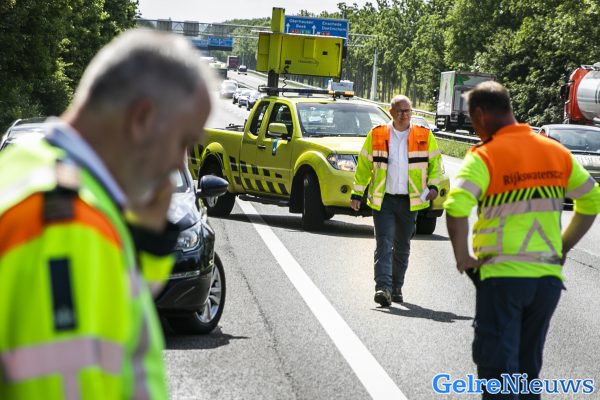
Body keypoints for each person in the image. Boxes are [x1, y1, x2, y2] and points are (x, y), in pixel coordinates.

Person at [0, 29, 213, 399]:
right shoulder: (66, 225)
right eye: (183, 142)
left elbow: (113, 316)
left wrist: (148, 243)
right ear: (142, 119)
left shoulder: (24, 169)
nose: (179, 163)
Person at [444, 81, 600, 399]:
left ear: (480, 115)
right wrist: (563, 247)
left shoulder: (485, 156)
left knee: (497, 373)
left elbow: (456, 207)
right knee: (528, 372)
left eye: (472, 120)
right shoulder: (555, 151)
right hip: (546, 282)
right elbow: (592, 199)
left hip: (502, 279)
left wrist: (462, 257)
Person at [351, 95, 443, 306]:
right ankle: (383, 287)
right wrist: (357, 193)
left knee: (402, 246)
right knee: (383, 243)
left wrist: (434, 186)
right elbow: (364, 166)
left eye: (407, 110)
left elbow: (436, 164)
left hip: (411, 201)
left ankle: (396, 287)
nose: (404, 115)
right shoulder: (377, 134)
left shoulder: (424, 135)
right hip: (384, 200)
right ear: (390, 112)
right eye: (400, 111)